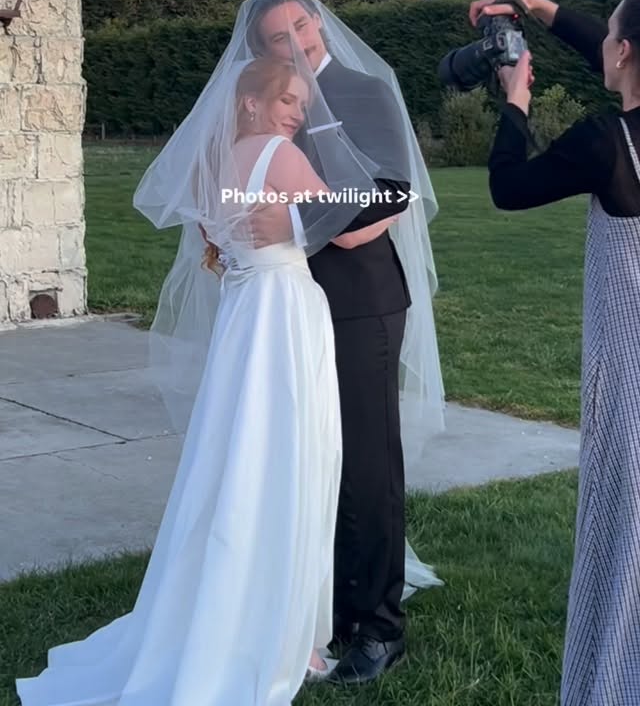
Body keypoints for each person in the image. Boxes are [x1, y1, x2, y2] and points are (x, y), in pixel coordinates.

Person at [15, 47, 404, 706]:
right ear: (251, 100)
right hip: (282, 311)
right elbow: (343, 227)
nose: (295, 116)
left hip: (243, 313)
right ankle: (284, 633)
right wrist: (400, 192)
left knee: (234, 456)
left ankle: (234, 604)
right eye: (287, 102)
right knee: (291, 458)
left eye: (301, 108)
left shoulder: (211, 165)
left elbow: (219, 248)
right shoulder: (279, 157)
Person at [244, 0, 444, 685]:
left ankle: (380, 626)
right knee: (310, 460)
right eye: (279, 38)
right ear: (261, 51)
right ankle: (320, 605)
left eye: (302, 25)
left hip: (360, 300)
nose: (297, 42)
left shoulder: (363, 89)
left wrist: (296, 226)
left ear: (320, 20)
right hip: (285, 302)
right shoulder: (265, 101)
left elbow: (392, 191)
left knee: (366, 466)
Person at [470, 0, 640, 706]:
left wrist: (515, 98)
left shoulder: (608, 142)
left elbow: (509, 187)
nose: (598, 43)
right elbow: (616, 50)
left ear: (624, 51)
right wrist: (541, 8)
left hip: (630, 376)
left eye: (607, 35)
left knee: (624, 525)